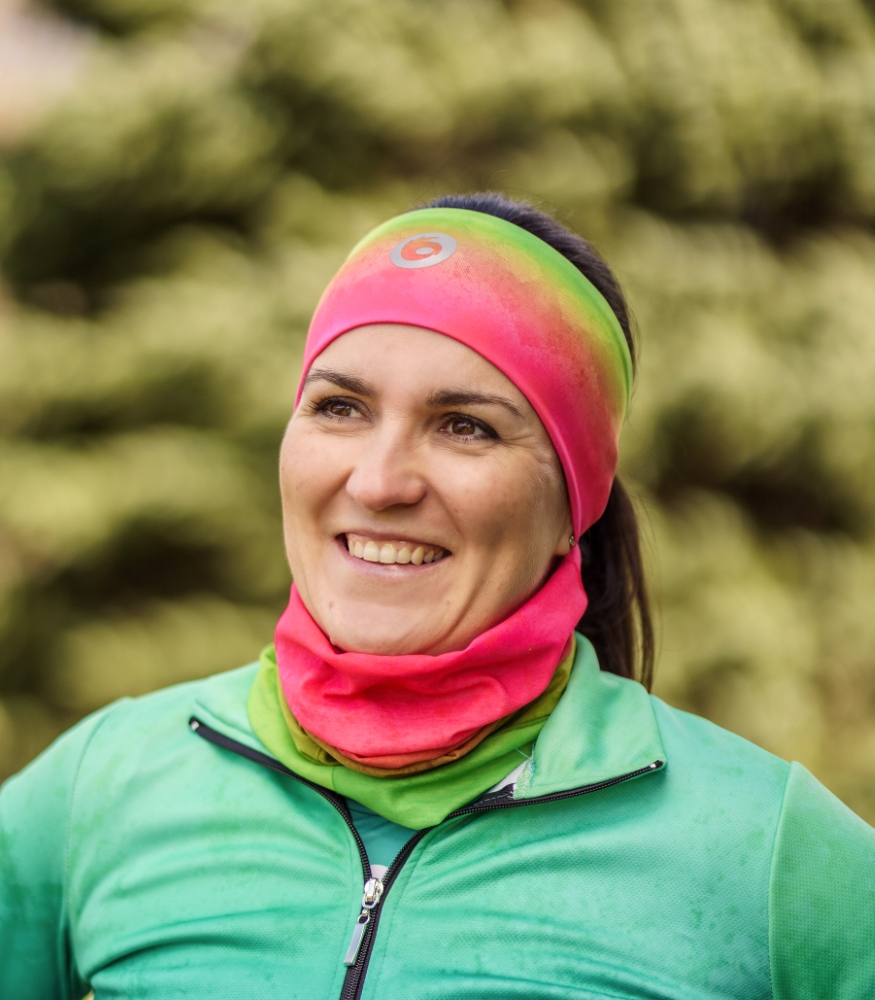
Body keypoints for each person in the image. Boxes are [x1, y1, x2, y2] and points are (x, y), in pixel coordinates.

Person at [1, 193, 873, 1000]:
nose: (378, 482)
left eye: (465, 426)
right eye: (339, 407)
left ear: (572, 505)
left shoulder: (766, 851)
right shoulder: (101, 786)